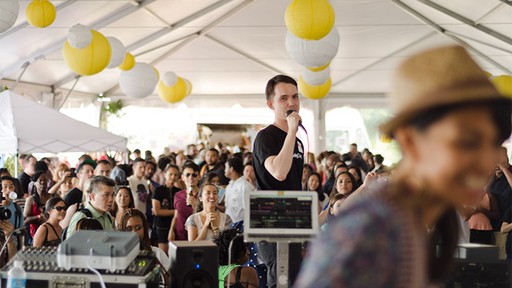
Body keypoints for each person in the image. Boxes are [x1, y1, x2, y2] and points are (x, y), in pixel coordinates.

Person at [294, 45, 511, 287]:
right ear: (410, 141)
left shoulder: (424, 218)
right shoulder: (369, 230)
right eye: (467, 142)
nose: (485, 160)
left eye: (492, 143)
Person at [252, 74, 305, 288]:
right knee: (281, 280)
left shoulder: (298, 142)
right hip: (270, 217)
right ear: (270, 104)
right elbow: (279, 172)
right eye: (283, 98)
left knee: (294, 278)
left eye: (295, 97)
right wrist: (292, 130)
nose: (291, 103)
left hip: (293, 215)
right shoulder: (266, 137)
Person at [118, 208, 170, 285]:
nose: (134, 232)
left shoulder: (158, 253)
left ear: (144, 229)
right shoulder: (117, 257)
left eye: (138, 228)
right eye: (129, 229)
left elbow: (170, 282)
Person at [152, 164, 180, 254]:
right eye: (170, 174)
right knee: (164, 254)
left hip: (176, 226)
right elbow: (157, 211)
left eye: (175, 175)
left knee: (175, 255)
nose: (173, 177)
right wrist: (175, 212)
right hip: (162, 226)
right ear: (165, 174)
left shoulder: (179, 192)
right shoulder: (158, 190)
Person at [169, 161, 201, 241]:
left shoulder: (204, 194)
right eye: (187, 175)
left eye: (194, 175)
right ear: (182, 177)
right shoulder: (178, 195)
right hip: (179, 234)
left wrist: (196, 205)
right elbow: (176, 215)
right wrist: (171, 230)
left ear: (199, 177)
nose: (191, 178)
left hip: (198, 235)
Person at [24, 170, 52, 245]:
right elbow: (25, 220)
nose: (43, 182)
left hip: (51, 231)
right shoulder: (31, 200)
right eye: (40, 180)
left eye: (45, 180)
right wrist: (38, 217)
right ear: (35, 183)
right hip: (35, 234)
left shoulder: (52, 197)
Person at [224, 157, 255, 224]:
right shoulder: (229, 186)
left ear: (231, 169)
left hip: (240, 226)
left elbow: (249, 210)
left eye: (226, 167)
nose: (224, 170)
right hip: (228, 225)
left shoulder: (246, 186)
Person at [1, 176, 24, 249]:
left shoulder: (18, 208)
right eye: (5, 187)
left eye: (11, 187)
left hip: (13, 249)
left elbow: (20, 232)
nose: (8, 190)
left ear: (14, 188)